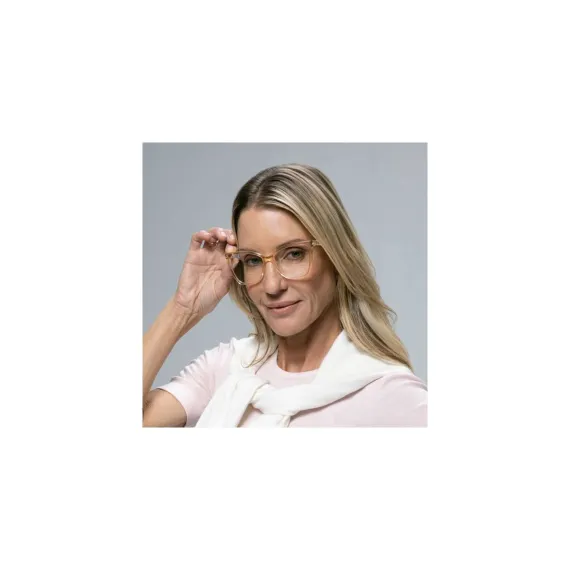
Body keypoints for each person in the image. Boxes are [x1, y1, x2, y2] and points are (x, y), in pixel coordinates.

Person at [143, 163, 427, 427]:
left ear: (336, 255)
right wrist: (183, 308)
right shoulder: (228, 368)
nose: (272, 285)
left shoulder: (391, 395)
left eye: (294, 254)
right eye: (253, 260)